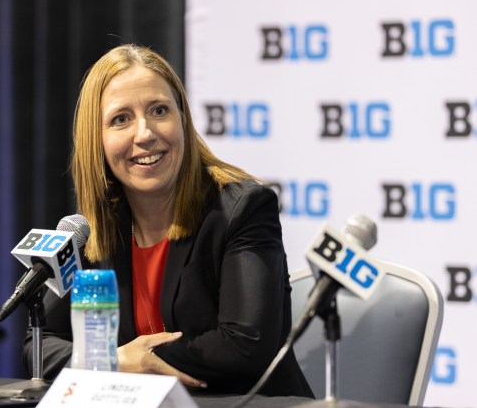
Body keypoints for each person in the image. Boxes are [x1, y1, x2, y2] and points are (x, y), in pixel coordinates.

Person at [23, 44, 313, 397]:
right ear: (95, 141)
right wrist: (116, 361)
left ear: (183, 119)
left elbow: (244, 345)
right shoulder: (93, 230)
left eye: (159, 110)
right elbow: (41, 345)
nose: (144, 134)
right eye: (120, 119)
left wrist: (138, 360)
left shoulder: (242, 210)